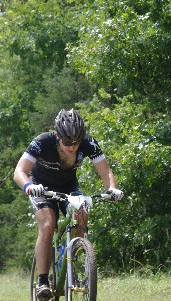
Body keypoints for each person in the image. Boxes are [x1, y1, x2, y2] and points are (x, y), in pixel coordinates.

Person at [13, 108, 124, 301]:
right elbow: (19, 171)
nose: (72, 147)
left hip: (68, 186)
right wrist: (29, 187)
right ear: (57, 136)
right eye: (67, 142)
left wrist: (112, 189)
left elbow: (105, 171)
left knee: (82, 215)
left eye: (76, 142)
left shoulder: (88, 143)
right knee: (48, 224)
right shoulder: (42, 142)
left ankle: (72, 262)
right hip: (41, 187)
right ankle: (42, 281)